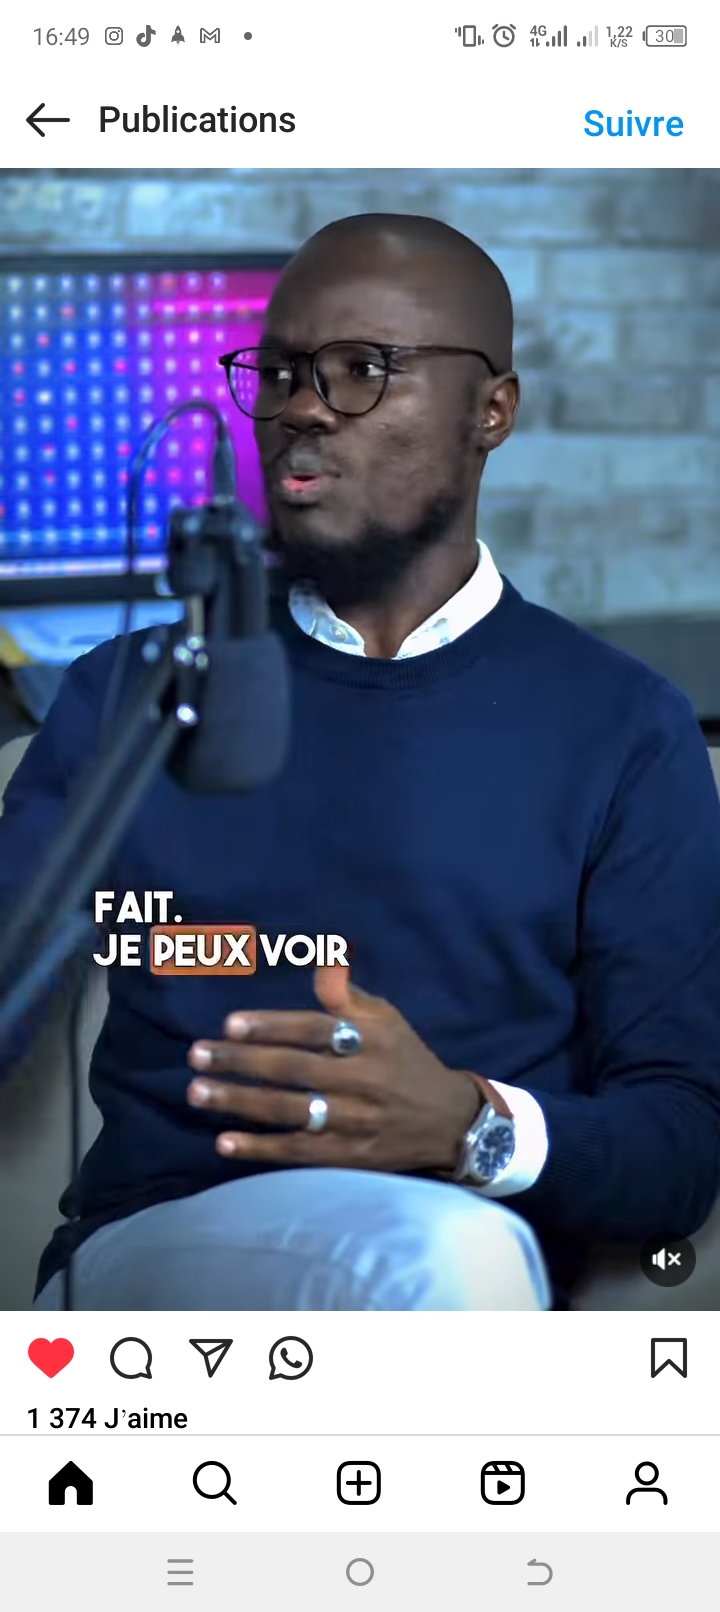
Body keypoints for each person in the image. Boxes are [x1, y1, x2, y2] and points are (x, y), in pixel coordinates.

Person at [4, 211, 720, 1311]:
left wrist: (468, 1126)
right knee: (437, 1256)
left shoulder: (625, 728)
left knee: (452, 1253)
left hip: (483, 1275)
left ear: (491, 411)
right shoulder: (131, 695)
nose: (301, 407)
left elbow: (679, 1142)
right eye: (282, 373)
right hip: (162, 1251)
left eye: (361, 370)